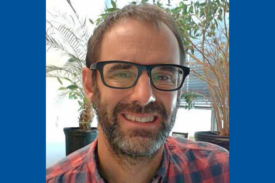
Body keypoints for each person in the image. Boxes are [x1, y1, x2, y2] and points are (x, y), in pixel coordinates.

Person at [46, 4, 229, 183]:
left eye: (164, 76)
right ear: (90, 85)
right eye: (123, 74)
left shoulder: (221, 171)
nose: (144, 96)